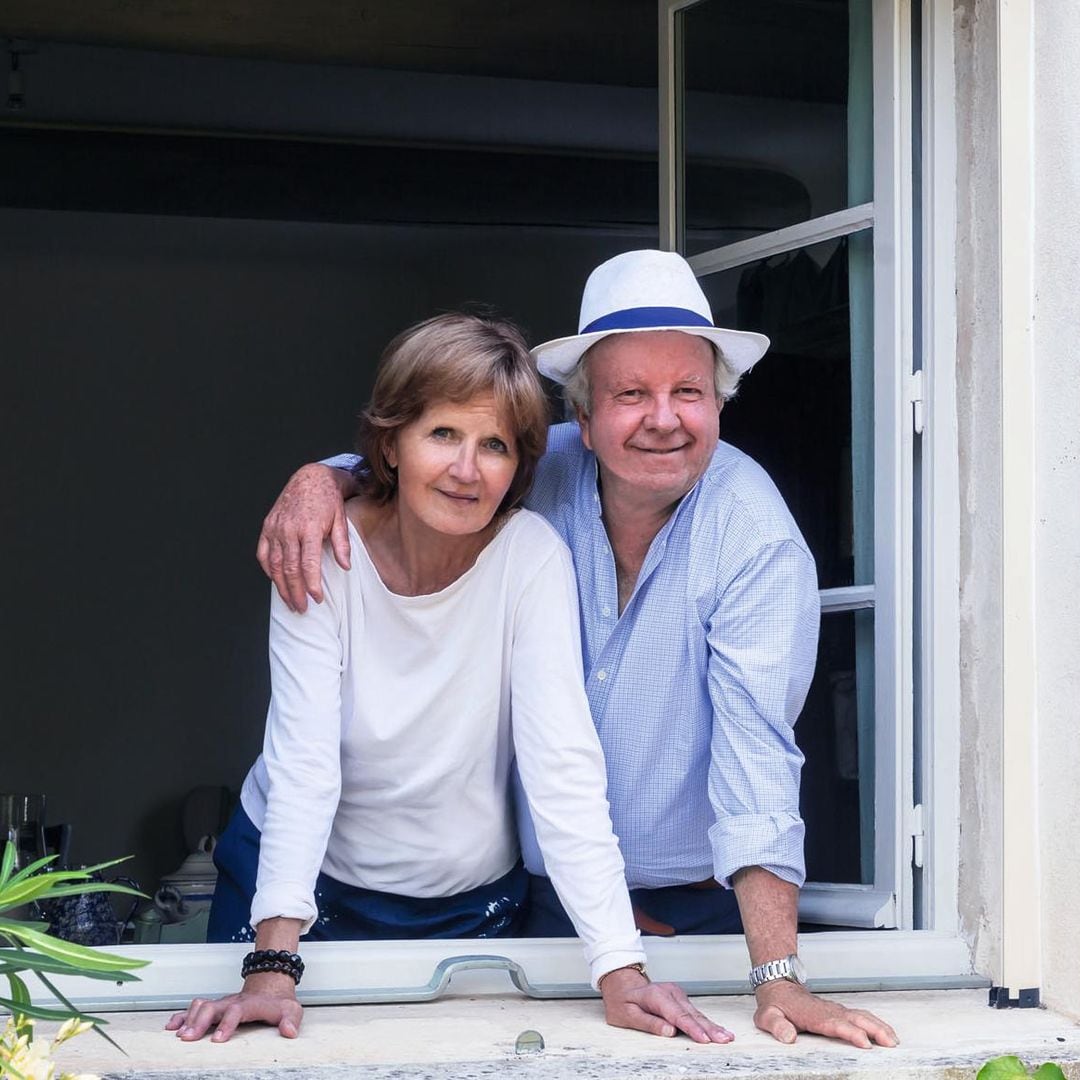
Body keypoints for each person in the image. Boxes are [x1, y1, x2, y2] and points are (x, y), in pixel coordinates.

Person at [257, 252, 899, 1050]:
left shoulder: (755, 541)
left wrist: (776, 977)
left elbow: (757, 762)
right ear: (584, 420)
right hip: (551, 894)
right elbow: (432, 456)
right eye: (632, 394)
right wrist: (320, 477)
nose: (662, 419)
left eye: (688, 393)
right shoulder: (537, 467)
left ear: (720, 406)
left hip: (700, 899)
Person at [167, 311, 732, 1045]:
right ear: (392, 443)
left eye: (494, 445)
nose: (468, 469)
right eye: (443, 435)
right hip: (292, 892)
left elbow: (561, 765)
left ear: (519, 467)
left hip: (469, 906)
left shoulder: (530, 557)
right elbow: (305, 762)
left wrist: (621, 971)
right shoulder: (322, 549)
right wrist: (272, 964)